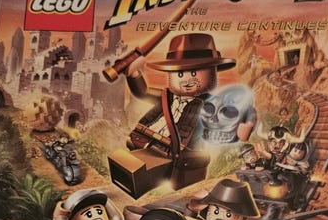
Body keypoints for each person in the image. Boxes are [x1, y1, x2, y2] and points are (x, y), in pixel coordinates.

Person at [108, 33, 253, 198]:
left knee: (154, 174)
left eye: (194, 73)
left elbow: (227, 122)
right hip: (143, 140)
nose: (186, 80)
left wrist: (243, 126)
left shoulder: (211, 104)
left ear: (212, 72)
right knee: (128, 165)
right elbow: (143, 92)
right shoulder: (165, 96)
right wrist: (134, 74)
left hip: (178, 154)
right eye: (180, 74)